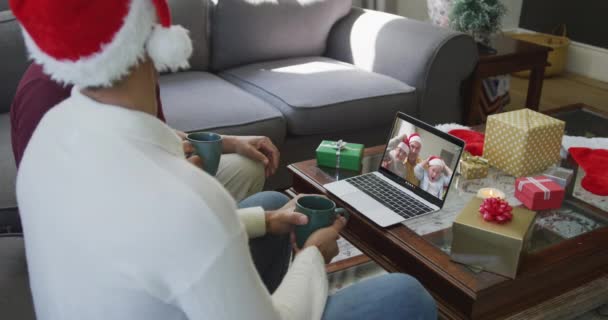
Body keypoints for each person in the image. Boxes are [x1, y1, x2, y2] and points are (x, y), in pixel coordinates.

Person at [12, 0, 437, 319]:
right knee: (406, 295)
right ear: (152, 37)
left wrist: (262, 223)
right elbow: (172, 227)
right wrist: (313, 257)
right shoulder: (185, 199)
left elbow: (135, 237)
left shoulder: (49, 137)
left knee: (271, 208)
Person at [10, 63, 276, 203]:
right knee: (271, 204)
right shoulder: (43, 91)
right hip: (98, 217)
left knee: (248, 166)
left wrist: (228, 143)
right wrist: (170, 181)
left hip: (144, 186)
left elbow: (154, 130)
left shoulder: (134, 66)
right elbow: (50, 202)